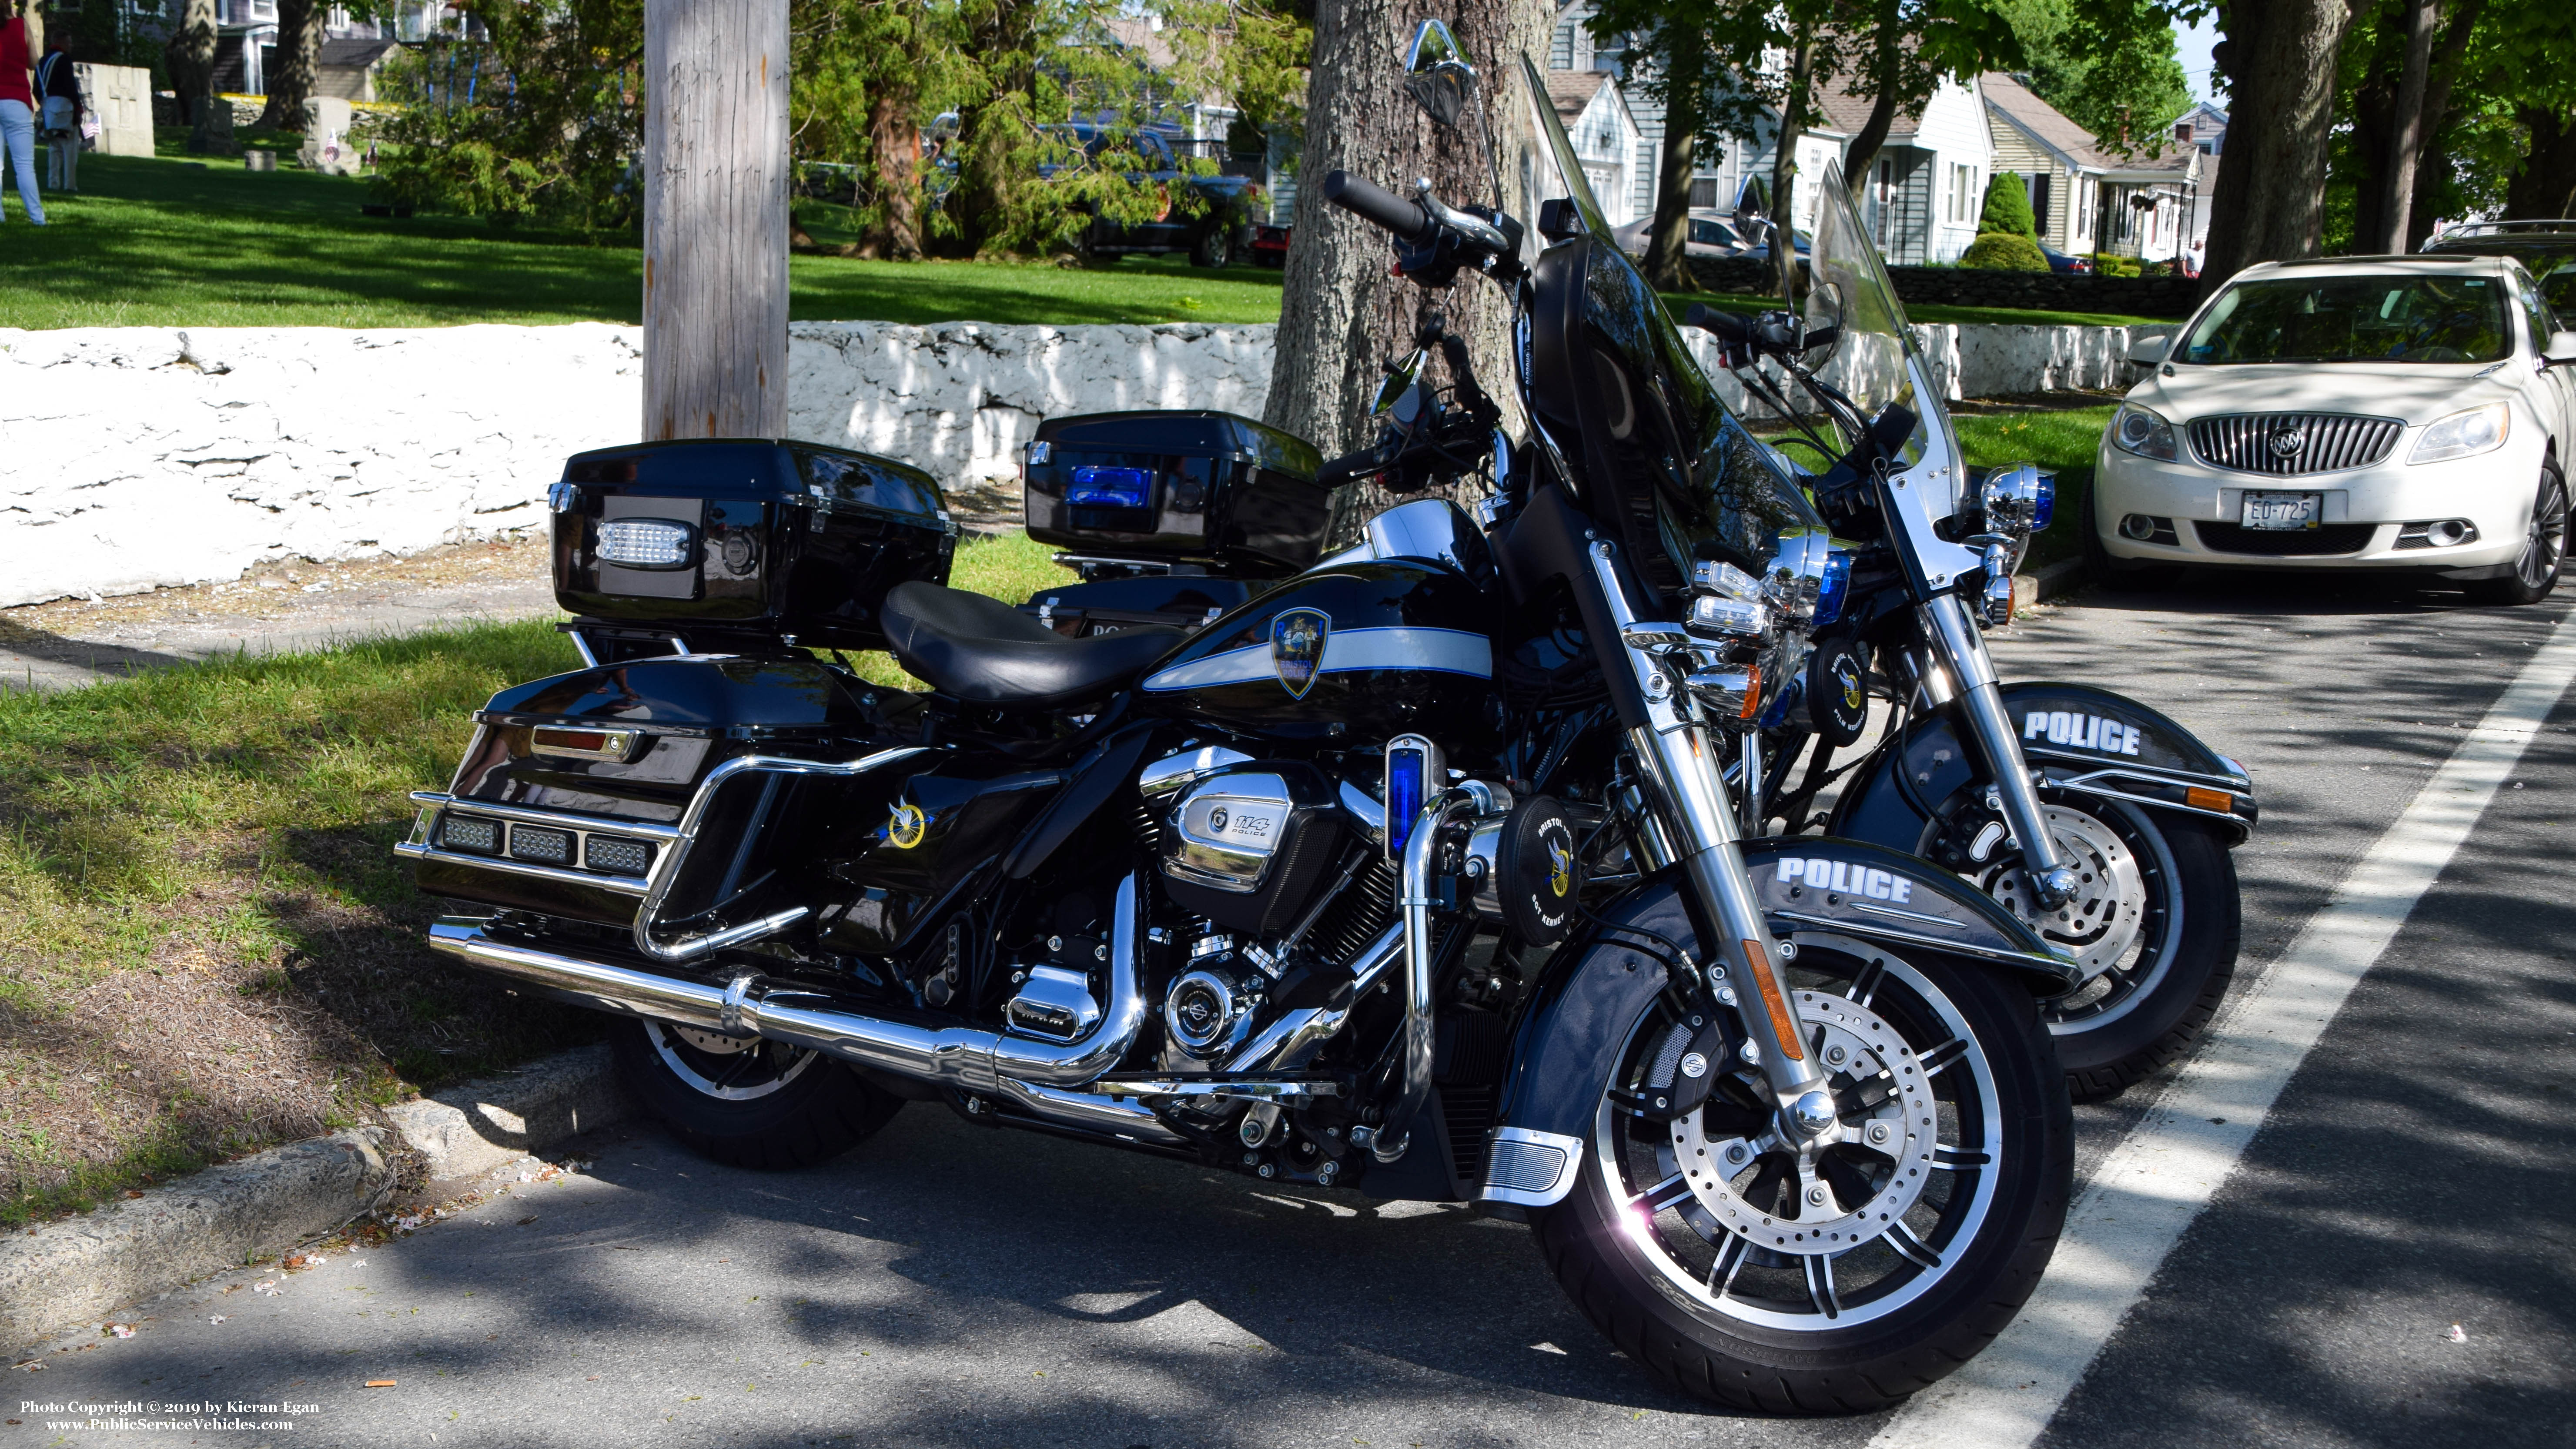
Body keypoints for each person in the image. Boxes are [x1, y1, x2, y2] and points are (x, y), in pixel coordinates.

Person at [0, 17, 40, 224]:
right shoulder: (21, 25)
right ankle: (37, 217)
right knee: (24, 165)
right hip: (16, 98)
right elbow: (33, 62)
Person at [34, 33, 76, 194]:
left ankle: (53, 183)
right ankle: (70, 185)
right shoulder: (64, 60)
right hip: (65, 110)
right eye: (69, 41)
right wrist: (77, 107)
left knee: (54, 148)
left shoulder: (42, 61)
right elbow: (70, 87)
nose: (71, 45)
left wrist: (46, 104)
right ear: (61, 41)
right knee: (69, 149)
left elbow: (37, 90)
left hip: (48, 109)